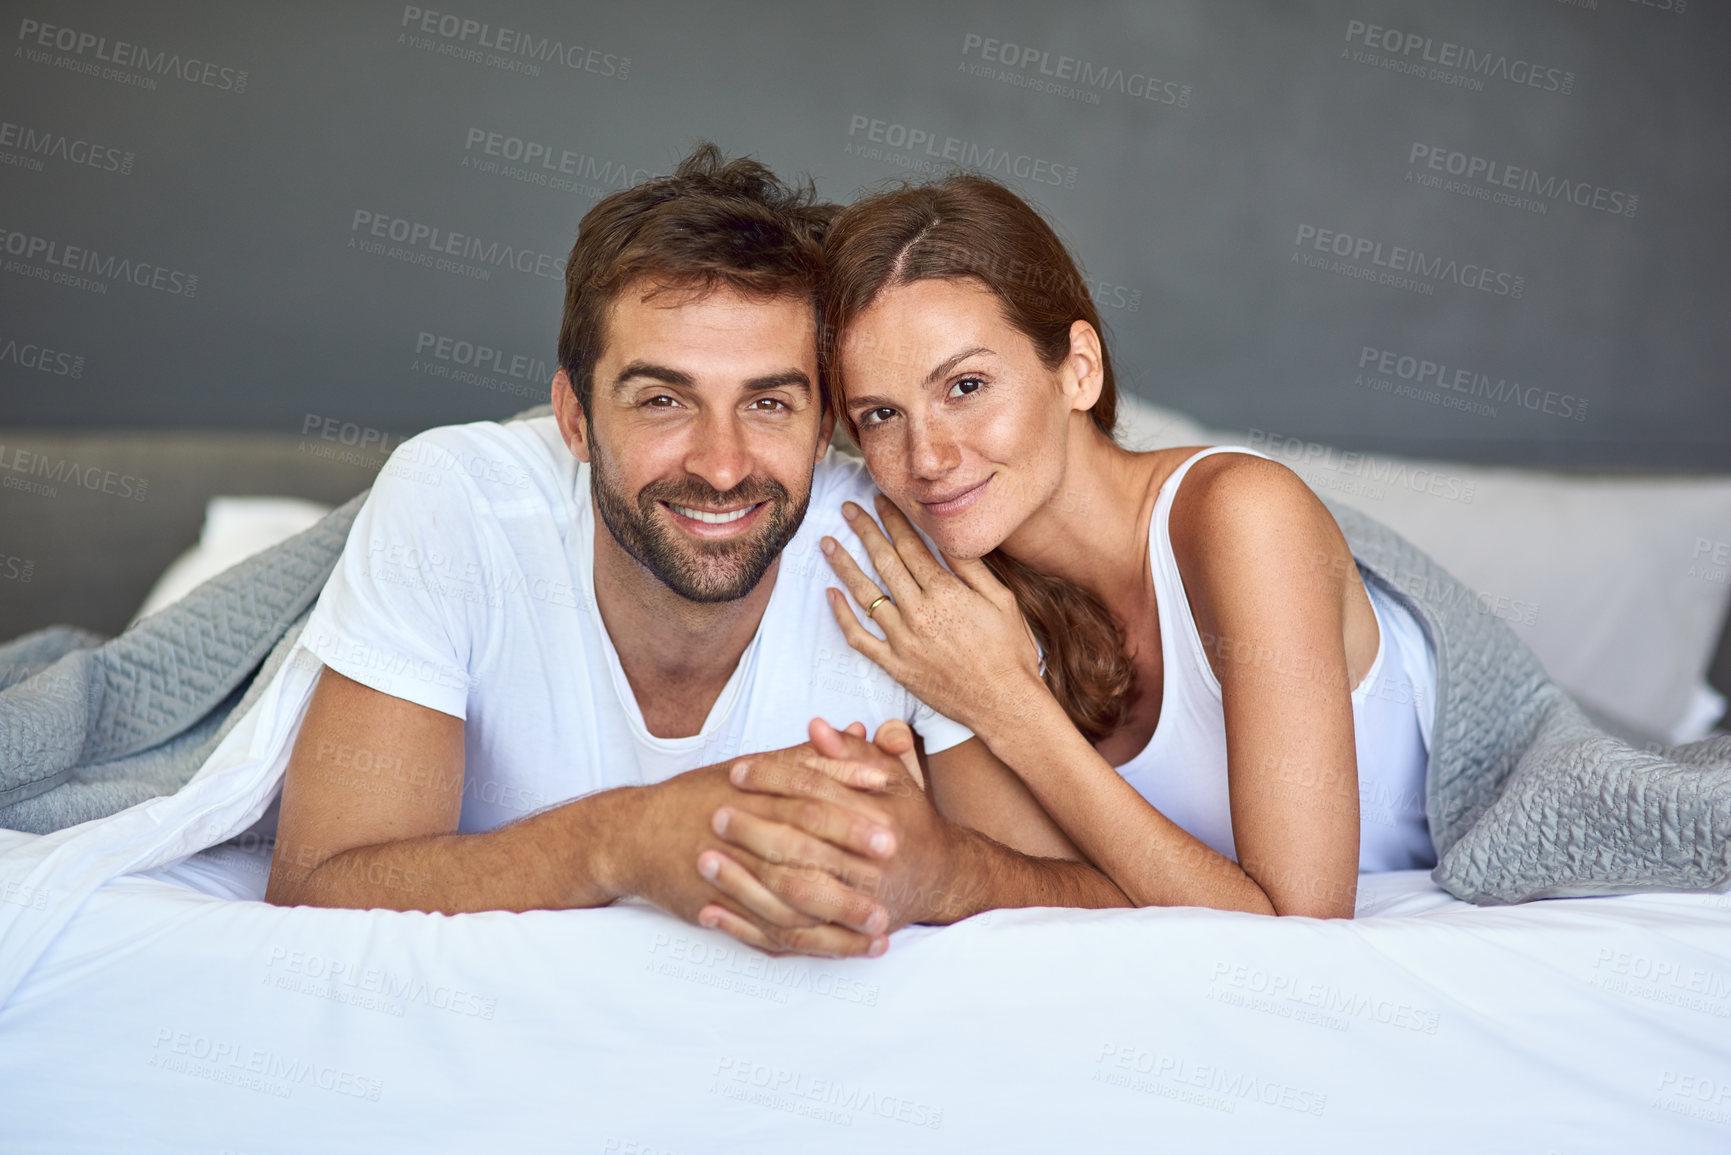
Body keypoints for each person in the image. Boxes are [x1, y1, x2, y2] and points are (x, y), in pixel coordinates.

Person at [264, 144, 1128, 957]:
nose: (721, 467)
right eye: (663, 402)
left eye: (769, 405)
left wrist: (943, 867)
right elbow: (319, 884)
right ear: (573, 419)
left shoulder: (895, 550)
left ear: (825, 424)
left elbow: (1096, 901)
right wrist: (624, 838)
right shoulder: (454, 500)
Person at [802, 173, 1439, 919]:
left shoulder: (1242, 516)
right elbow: (1039, 902)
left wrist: (1010, 707)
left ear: (1079, 368)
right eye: (879, 413)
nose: (928, 456)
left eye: (966, 386)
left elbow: (1300, 923)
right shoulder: (953, 591)